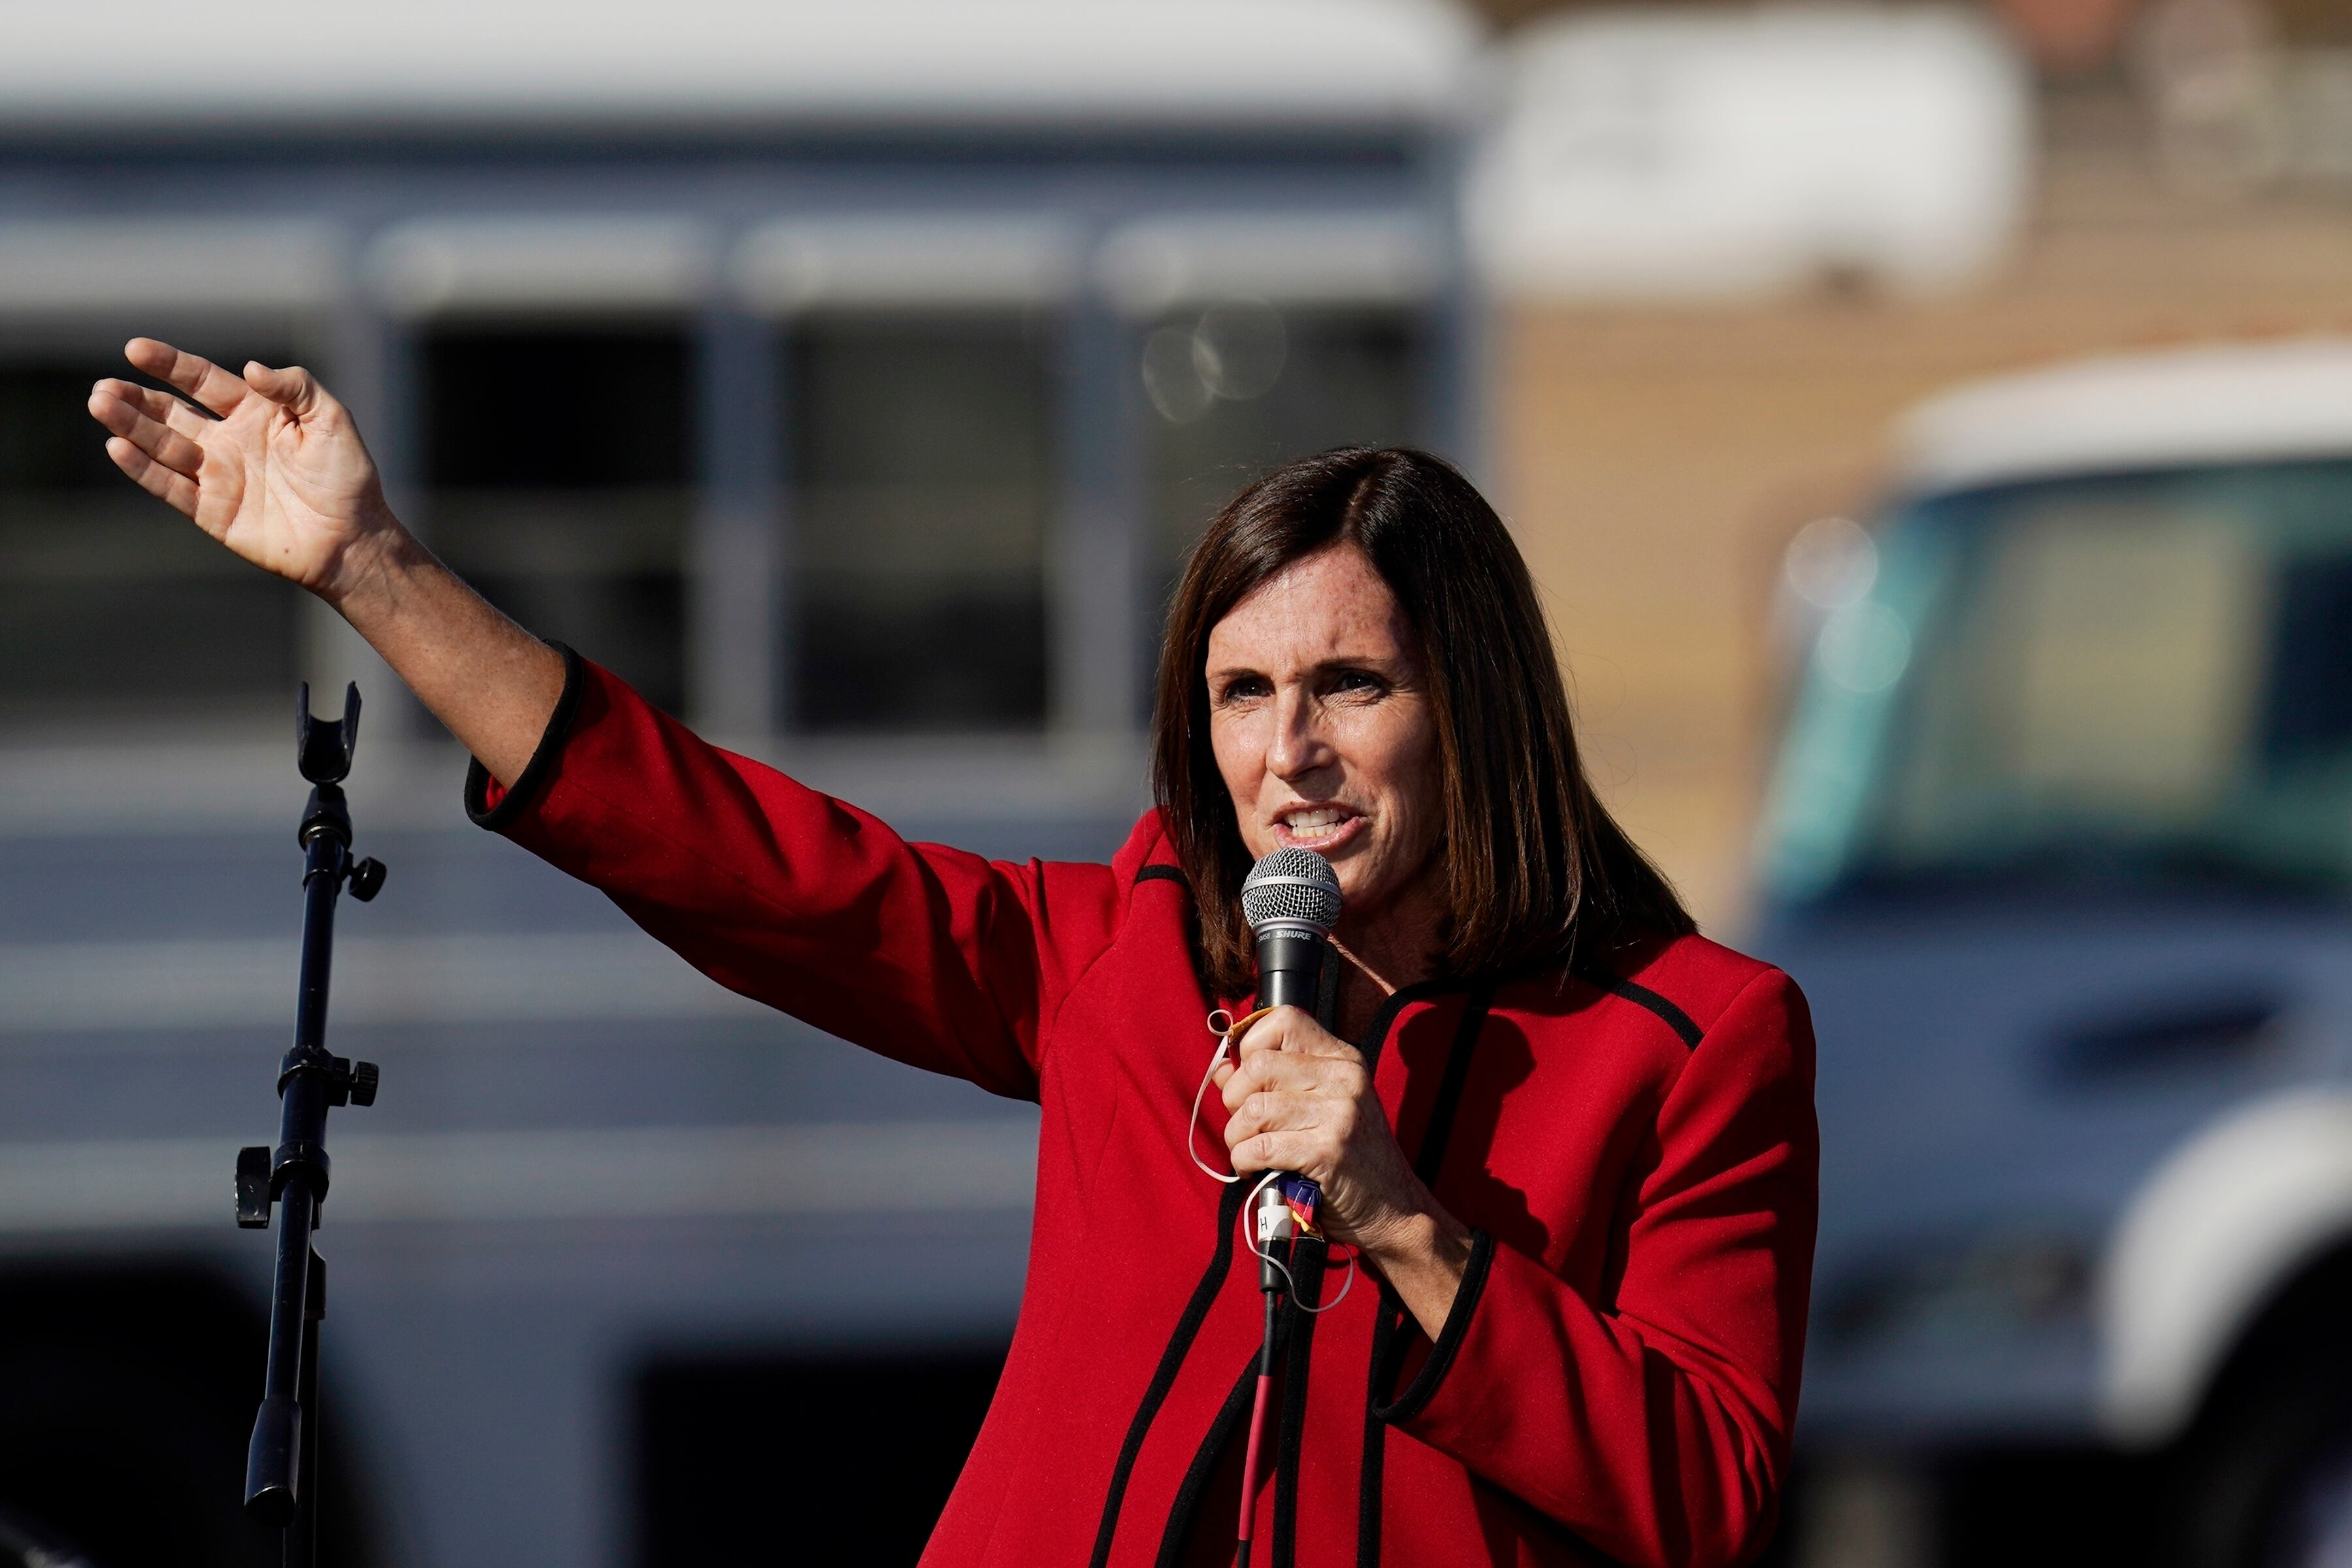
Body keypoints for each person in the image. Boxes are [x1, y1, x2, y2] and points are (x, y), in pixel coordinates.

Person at [88, 340, 1816, 1568]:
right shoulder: (1132, 963)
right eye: (1240, 695)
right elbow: (750, 864)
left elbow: (1706, 1493)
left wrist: (1405, 1221)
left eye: (1350, 686)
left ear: (1475, 707)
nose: (1288, 752)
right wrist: (378, 572)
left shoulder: (1693, 1041)